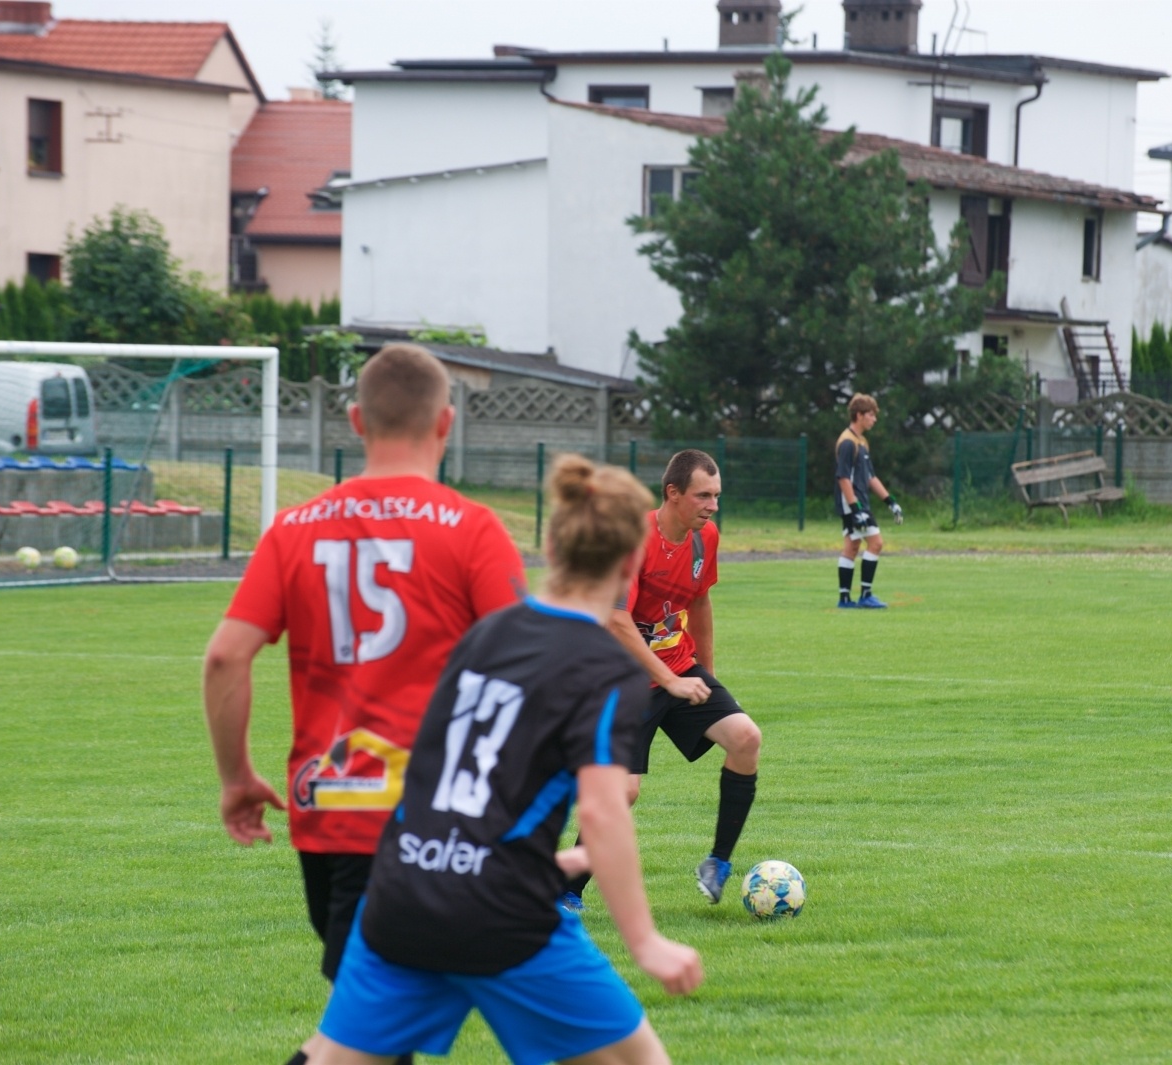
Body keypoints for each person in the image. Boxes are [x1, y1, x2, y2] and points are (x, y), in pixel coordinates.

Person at [308, 454, 703, 1065]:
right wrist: (646, 942)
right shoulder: (605, 668)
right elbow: (601, 811)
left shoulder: (482, 634)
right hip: (500, 912)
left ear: (551, 544)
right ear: (631, 563)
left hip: (401, 890)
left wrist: (537, 859)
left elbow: (449, 783)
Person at [203, 343, 526, 1065]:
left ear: (354, 420)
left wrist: (237, 777)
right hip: (436, 824)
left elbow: (226, 655)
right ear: (446, 423)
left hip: (332, 818)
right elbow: (519, 675)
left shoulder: (293, 529)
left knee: (377, 1028)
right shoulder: (473, 530)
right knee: (366, 1038)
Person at [564, 448, 763, 908]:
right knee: (625, 792)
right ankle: (566, 892)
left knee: (746, 738)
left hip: (678, 667)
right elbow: (616, 620)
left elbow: (700, 603)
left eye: (716, 495)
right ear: (673, 494)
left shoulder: (704, 537)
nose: (713, 505)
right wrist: (669, 682)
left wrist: (708, 678)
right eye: (703, 496)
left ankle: (717, 863)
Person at [834, 393, 903, 609]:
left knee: (852, 546)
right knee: (876, 543)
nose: (874, 420)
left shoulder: (862, 442)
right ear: (859, 415)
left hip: (860, 502)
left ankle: (845, 598)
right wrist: (855, 509)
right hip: (853, 503)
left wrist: (890, 501)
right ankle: (865, 595)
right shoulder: (847, 442)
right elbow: (843, 478)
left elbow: (871, 477)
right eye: (871, 415)